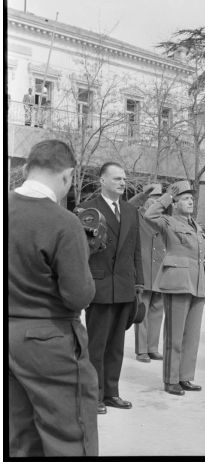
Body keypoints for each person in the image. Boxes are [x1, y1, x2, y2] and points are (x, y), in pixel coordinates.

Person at [9, 139, 98, 456]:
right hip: (49, 340)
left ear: (26, 169)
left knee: (20, 438)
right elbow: (78, 296)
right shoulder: (63, 222)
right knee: (69, 435)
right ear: (67, 175)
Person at [79, 162, 144, 414]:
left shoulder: (130, 211)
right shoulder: (87, 208)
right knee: (96, 346)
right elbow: (80, 251)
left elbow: (136, 250)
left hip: (124, 286)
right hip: (99, 285)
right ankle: (94, 396)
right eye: (117, 178)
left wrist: (139, 283)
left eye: (124, 179)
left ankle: (111, 393)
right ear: (102, 181)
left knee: (117, 345)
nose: (122, 183)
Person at [145, 181, 205, 396]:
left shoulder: (196, 226)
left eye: (191, 199)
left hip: (198, 284)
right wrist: (167, 197)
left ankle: (185, 377)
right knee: (175, 335)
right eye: (185, 198)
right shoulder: (168, 221)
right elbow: (149, 215)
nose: (190, 202)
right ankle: (171, 379)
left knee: (192, 336)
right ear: (175, 203)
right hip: (177, 283)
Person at [129, 183, 166, 363]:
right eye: (152, 198)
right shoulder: (136, 215)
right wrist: (142, 195)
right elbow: (127, 205)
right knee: (142, 312)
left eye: (158, 199)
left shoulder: (164, 220)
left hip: (160, 272)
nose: (155, 201)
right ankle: (142, 350)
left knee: (157, 311)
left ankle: (152, 348)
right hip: (143, 270)